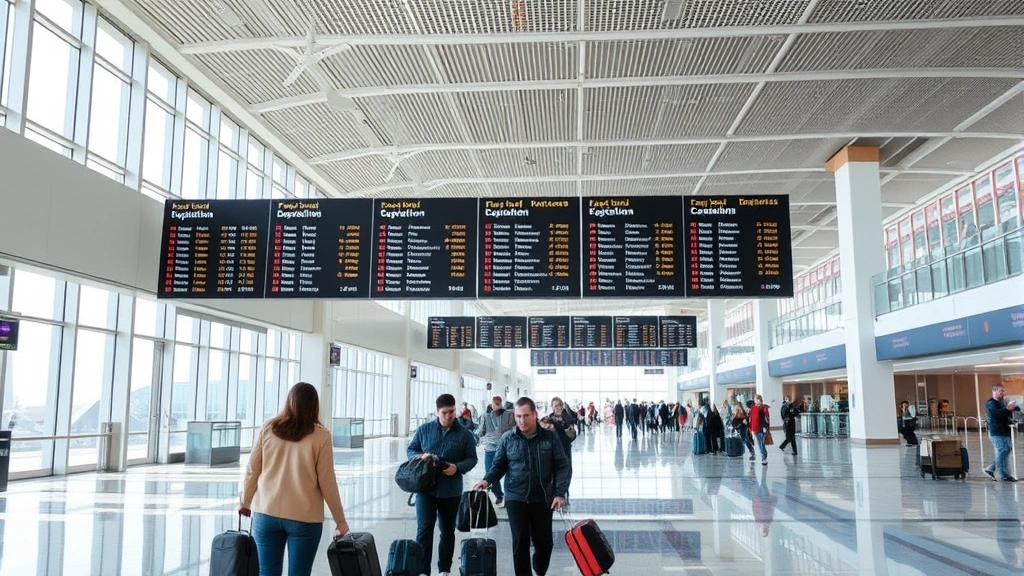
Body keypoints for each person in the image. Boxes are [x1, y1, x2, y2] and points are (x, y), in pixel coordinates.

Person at [240, 382, 349, 576]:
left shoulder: (269, 428)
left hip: (266, 513)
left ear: (289, 402)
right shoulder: (321, 436)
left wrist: (245, 502)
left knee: (267, 572)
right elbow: (327, 481)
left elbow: (252, 470)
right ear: (315, 406)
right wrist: (339, 520)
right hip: (304, 518)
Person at [473, 397, 570, 576]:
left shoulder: (549, 438)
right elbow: (499, 465)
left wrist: (559, 493)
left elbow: (562, 466)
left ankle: (539, 569)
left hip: (542, 498)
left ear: (535, 415)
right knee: (520, 541)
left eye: (526, 415)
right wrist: (486, 480)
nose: (521, 420)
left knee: (544, 543)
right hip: (515, 497)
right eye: (518, 416)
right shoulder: (507, 439)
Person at [407, 394, 479, 576]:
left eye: (452, 412)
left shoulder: (465, 434)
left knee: (447, 532)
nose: (449, 416)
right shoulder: (424, 430)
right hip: (426, 489)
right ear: (436, 412)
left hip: (451, 491)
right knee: (424, 530)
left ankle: (444, 570)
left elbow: (472, 458)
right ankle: (423, 571)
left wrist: (458, 467)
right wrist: (419, 457)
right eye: (445, 412)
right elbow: (411, 449)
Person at [478, 395, 515, 507]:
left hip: (501, 448)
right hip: (497, 448)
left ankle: (503, 495)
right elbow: (481, 431)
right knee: (494, 473)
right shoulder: (488, 415)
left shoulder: (507, 414)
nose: (497, 407)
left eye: (498, 404)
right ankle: (500, 495)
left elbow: (481, 432)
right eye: (496, 404)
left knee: (498, 473)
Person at [985, 385, 1020, 482]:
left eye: (1003, 391)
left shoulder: (1001, 403)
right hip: (997, 432)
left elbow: (1004, 415)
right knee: (1002, 450)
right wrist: (1007, 409)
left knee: (1006, 450)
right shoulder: (991, 403)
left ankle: (1004, 474)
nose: (1003, 393)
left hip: (1004, 431)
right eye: (1001, 391)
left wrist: (1011, 413)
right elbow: (996, 415)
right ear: (994, 391)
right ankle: (992, 469)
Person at [749, 394, 770, 465]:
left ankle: (764, 456)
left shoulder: (764, 407)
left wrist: (765, 427)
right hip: (755, 428)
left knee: (761, 442)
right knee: (759, 443)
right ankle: (763, 455)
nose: (756, 401)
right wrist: (751, 429)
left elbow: (766, 418)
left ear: (760, 400)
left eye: (757, 399)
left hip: (762, 428)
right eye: (755, 399)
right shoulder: (753, 408)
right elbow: (751, 419)